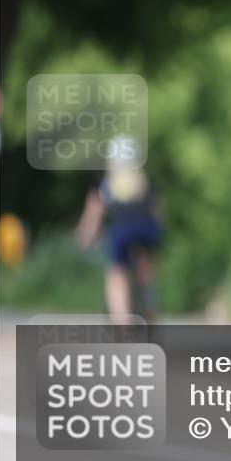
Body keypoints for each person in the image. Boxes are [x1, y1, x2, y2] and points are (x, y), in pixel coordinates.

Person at [75, 135, 164, 324]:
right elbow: (157, 211)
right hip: (147, 229)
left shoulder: (107, 182)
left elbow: (95, 211)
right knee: (145, 261)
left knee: (116, 274)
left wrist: (86, 236)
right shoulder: (143, 180)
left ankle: (121, 324)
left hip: (121, 231)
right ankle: (148, 294)